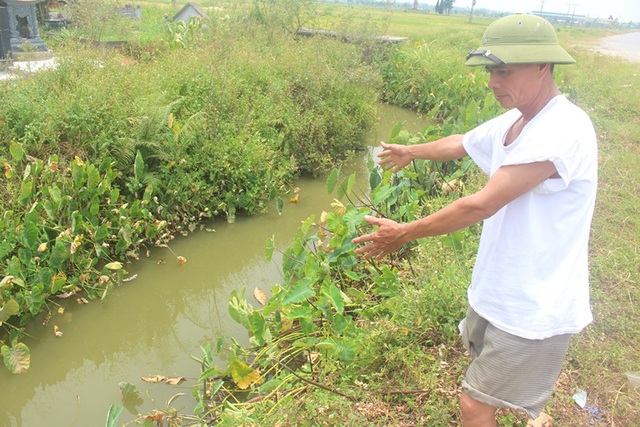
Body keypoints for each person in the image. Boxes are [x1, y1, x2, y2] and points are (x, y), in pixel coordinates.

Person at [352, 14, 598, 427]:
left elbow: (480, 205)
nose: (492, 82)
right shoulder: (518, 118)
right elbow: (462, 143)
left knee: (474, 405)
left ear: (543, 66)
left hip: (534, 303)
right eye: (490, 71)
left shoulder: (562, 128)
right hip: (499, 288)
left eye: (504, 71)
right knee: (487, 390)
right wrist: (413, 150)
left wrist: (404, 233)